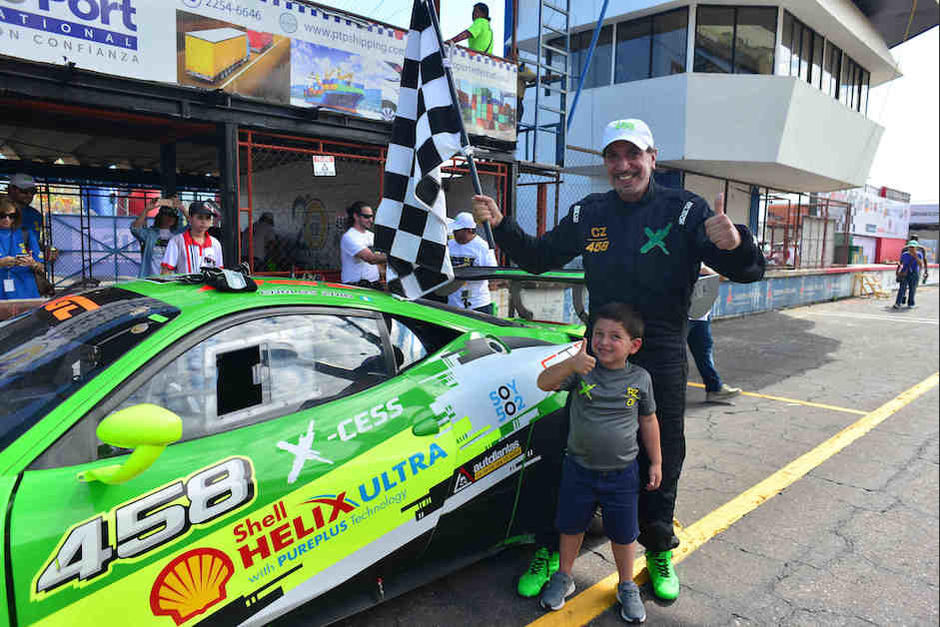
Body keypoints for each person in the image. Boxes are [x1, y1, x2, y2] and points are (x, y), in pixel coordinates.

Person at [473, 118, 765, 601]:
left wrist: (735, 243)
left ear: (652, 157)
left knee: (661, 454)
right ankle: (551, 546)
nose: (623, 165)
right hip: (599, 350)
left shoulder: (686, 209)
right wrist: (503, 224)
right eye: (614, 156)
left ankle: (658, 547)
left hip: (663, 352)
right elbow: (539, 257)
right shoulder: (590, 210)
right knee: (569, 447)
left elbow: (749, 271)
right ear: (606, 164)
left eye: (633, 155)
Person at [535, 303, 660, 623]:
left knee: (623, 533)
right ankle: (564, 576)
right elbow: (544, 382)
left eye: (615, 336)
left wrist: (656, 462)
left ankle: (627, 584)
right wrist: (571, 364)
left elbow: (648, 421)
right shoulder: (582, 371)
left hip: (622, 474)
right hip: (578, 469)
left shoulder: (641, 378)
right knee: (571, 526)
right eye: (598, 334)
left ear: (634, 346)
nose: (604, 341)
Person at [688, 266, 742, 403]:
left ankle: (714, 389)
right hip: (681, 314)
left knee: (704, 352)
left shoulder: (704, 255)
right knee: (673, 356)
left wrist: (706, 270)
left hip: (700, 314)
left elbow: (722, 277)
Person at [447, 211, 498, 314]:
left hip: (478, 304)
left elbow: (493, 274)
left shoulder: (483, 247)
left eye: (458, 230)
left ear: (469, 230)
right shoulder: (450, 244)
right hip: (453, 304)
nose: (454, 233)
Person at [131, 197, 188, 278]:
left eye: (173, 215)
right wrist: (147, 209)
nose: (170, 218)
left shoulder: (178, 234)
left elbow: (193, 225)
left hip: (173, 279)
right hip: (151, 278)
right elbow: (135, 229)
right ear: (160, 216)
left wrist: (182, 209)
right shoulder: (150, 233)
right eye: (167, 215)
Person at [161, 201, 223, 274]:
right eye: (200, 217)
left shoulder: (215, 244)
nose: (204, 221)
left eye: (208, 218)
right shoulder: (176, 241)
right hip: (183, 285)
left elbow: (219, 272)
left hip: (208, 285)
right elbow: (166, 272)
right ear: (190, 219)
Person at [0, 198, 44, 300]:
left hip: (26, 292)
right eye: (2, 216)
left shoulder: (26, 234)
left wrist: (32, 263)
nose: (7, 219)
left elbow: (41, 267)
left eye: (12, 216)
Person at [340, 201, 386, 289]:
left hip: (373, 285)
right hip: (355, 287)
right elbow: (370, 258)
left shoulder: (371, 235)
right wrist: (396, 257)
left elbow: (378, 261)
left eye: (372, 216)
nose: (371, 220)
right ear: (356, 216)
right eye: (366, 217)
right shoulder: (349, 236)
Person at [893, 241, 922, 310]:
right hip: (905, 272)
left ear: (916, 248)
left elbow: (920, 264)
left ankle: (911, 303)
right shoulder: (904, 254)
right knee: (902, 288)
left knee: (912, 289)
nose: (911, 248)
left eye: (913, 247)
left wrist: (915, 256)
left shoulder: (919, 254)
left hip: (914, 273)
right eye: (910, 247)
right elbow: (901, 263)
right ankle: (898, 303)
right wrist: (898, 271)